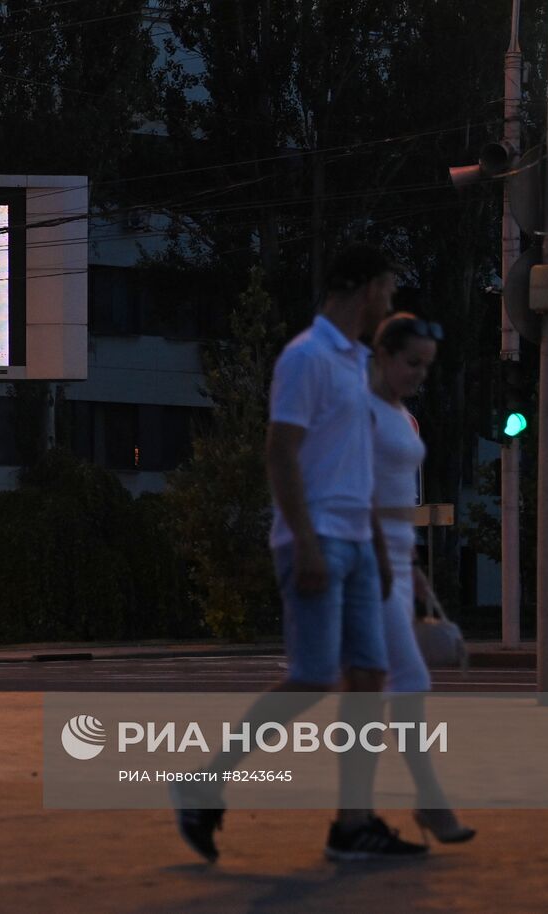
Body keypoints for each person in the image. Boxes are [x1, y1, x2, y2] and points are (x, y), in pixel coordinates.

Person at [170, 243, 427, 863]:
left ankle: (353, 825)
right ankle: (204, 781)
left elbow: (355, 462)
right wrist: (307, 542)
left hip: (360, 545)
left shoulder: (359, 364)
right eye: (387, 289)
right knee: (314, 674)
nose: (390, 302)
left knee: (368, 678)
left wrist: (381, 553)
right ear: (363, 287)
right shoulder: (305, 357)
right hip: (314, 542)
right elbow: (280, 453)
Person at [367, 312, 475, 845]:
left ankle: (422, 805)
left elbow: (398, 506)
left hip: (388, 565)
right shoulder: (359, 411)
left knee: (377, 687)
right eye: (412, 363)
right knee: (384, 684)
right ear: (383, 354)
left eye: (427, 367)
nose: (420, 375)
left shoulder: (400, 417)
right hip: (362, 566)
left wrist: (411, 569)